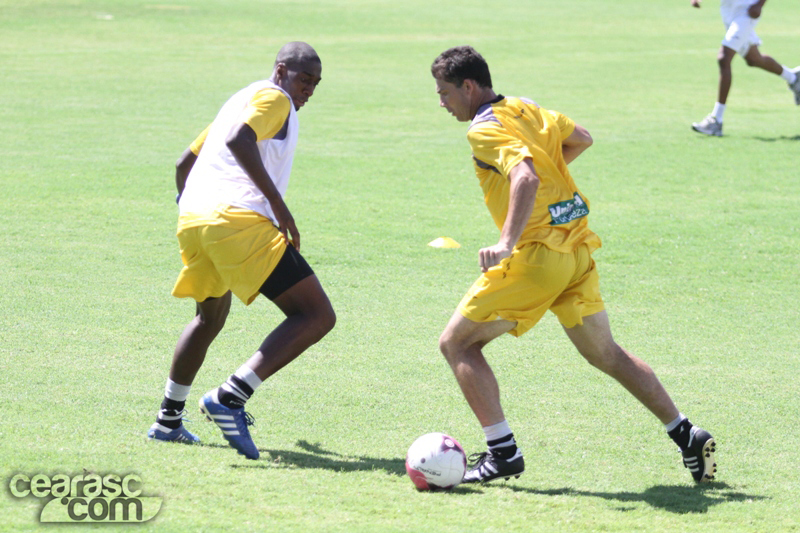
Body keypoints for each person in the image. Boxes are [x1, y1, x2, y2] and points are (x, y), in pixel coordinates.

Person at [431, 46, 717, 484]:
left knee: (457, 344)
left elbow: (524, 175)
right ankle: (685, 433)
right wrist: (547, 179)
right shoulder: (524, 108)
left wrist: (507, 241)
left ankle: (502, 454)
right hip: (576, 250)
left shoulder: (483, 130)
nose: (442, 102)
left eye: (445, 92)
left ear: (468, 87)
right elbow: (580, 137)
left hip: (538, 258)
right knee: (605, 353)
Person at [147, 42, 336, 460]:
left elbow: (184, 164)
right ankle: (230, 397)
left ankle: (167, 421)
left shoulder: (239, 99)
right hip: (234, 219)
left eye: (315, 84)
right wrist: (279, 206)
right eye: (305, 80)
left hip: (194, 220)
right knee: (316, 314)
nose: (308, 90)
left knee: (208, 318)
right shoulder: (275, 98)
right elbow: (239, 139)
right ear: (281, 70)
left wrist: (195, 209)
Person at [691, 0, 800, 136]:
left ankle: (716, 120)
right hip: (728, 10)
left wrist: (760, 4)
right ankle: (793, 77)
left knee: (724, 58)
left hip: (746, 12)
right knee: (753, 59)